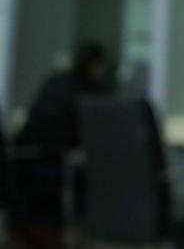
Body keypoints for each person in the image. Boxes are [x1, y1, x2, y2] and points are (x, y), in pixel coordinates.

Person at [10, 42, 112, 245]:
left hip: (19, 159)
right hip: (50, 163)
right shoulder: (90, 90)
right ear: (96, 66)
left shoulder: (55, 80)